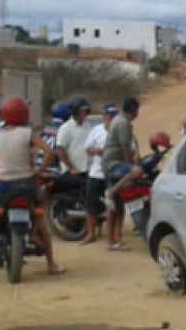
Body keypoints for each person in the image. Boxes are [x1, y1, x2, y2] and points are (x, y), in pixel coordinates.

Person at [0, 97, 63, 275]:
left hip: (3, 187)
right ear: (25, 114)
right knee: (41, 203)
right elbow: (49, 152)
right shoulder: (27, 134)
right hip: (27, 185)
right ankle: (49, 261)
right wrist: (39, 171)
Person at [102, 97, 142, 251]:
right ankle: (112, 191)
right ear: (134, 110)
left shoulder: (118, 120)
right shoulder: (124, 123)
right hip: (114, 165)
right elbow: (125, 148)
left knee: (116, 206)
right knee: (138, 171)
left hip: (110, 164)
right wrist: (130, 166)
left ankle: (112, 241)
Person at [80, 103, 119, 244]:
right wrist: (97, 151)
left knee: (113, 207)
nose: (112, 119)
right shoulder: (96, 130)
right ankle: (91, 234)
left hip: (113, 174)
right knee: (91, 206)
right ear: (105, 117)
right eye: (110, 116)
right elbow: (87, 149)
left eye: (115, 117)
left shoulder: (120, 130)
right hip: (96, 174)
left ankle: (113, 237)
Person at [55, 96, 93, 175]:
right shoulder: (66, 128)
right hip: (71, 172)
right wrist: (71, 168)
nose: (85, 113)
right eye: (83, 111)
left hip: (87, 170)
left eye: (86, 110)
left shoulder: (89, 127)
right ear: (75, 111)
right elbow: (60, 150)